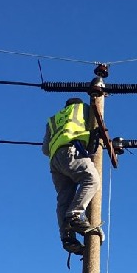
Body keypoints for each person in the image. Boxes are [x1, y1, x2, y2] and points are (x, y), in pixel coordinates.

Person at [42, 97, 101, 255]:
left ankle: (67, 237)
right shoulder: (84, 108)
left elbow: (45, 149)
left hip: (55, 161)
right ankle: (74, 217)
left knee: (64, 199)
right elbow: (96, 127)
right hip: (71, 152)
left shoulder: (53, 119)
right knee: (91, 179)